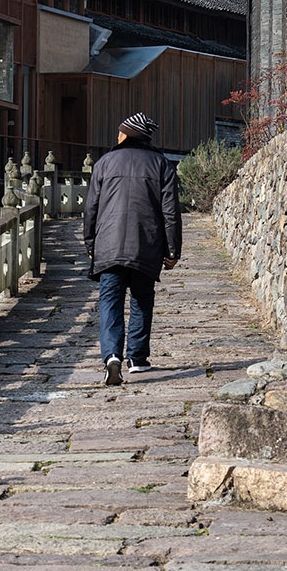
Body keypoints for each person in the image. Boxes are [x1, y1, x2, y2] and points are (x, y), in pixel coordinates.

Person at [83, 111, 181, 386]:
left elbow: (91, 208)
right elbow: (171, 212)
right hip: (146, 246)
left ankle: (112, 355)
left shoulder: (104, 163)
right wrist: (173, 250)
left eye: (119, 132)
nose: (116, 137)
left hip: (108, 246)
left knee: (109, 301)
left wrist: (90, 242)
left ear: (127, 135)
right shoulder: (162, 164)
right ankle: (137, 359)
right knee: (141, 300)